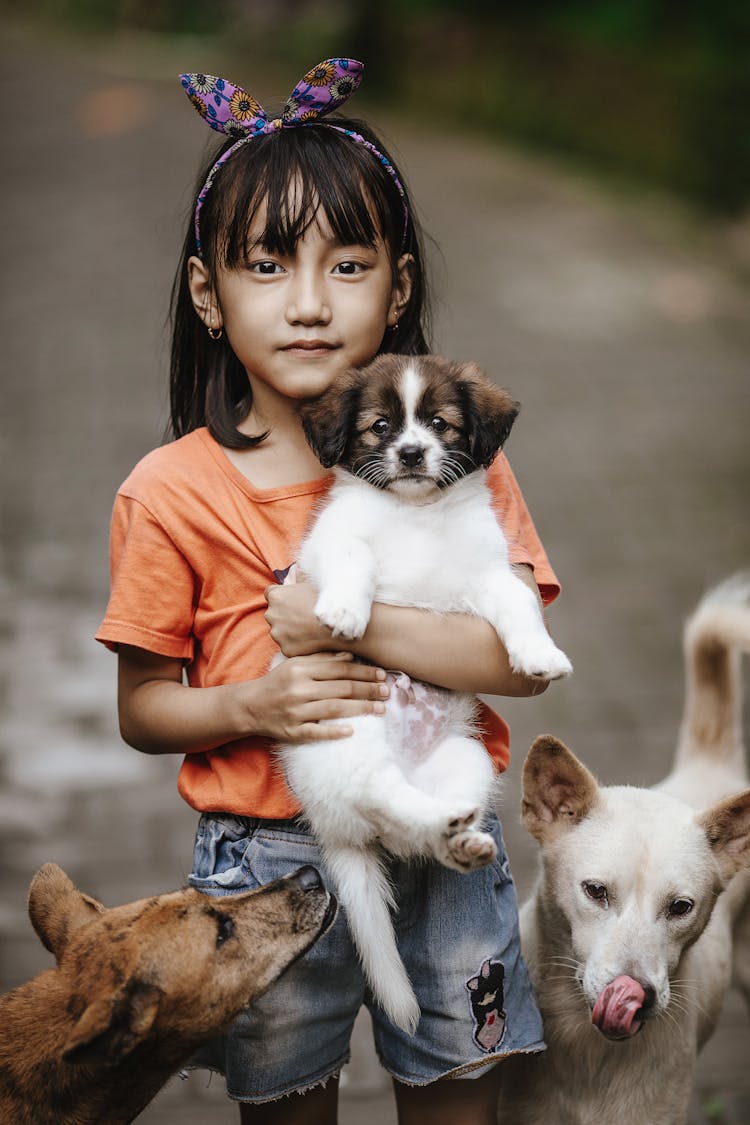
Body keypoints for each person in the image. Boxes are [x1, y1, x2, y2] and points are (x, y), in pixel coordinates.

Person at [96, 58, 562, 1125]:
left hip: (452, 839)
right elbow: (142, 708)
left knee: (460, 1100)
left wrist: (360, 626)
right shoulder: (168, 493)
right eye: (267, 266)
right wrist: (245, 707)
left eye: (347, 265)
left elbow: (514, 663)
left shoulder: (453, 463)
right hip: (265, 866)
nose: (309, 302)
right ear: (210, 295)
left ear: (398, 290)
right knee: (287, 1111)